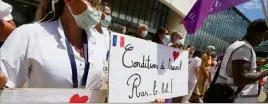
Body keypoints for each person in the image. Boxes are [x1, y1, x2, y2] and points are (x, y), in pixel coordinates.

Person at [0, 0, 108, 90]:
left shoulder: (103, 42)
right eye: (90, 1)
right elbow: (6, 86)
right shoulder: (29, 35)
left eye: (97, 3)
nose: (96, 5)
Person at [215, 19, 268, 103]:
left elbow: (237, 73)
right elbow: (241, 79)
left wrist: (255, 71)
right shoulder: (244, 48)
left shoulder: (240, 46)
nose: (263, 40)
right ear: (256, 33)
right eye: (263, 37)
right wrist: (265, 72)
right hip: (237, 100)